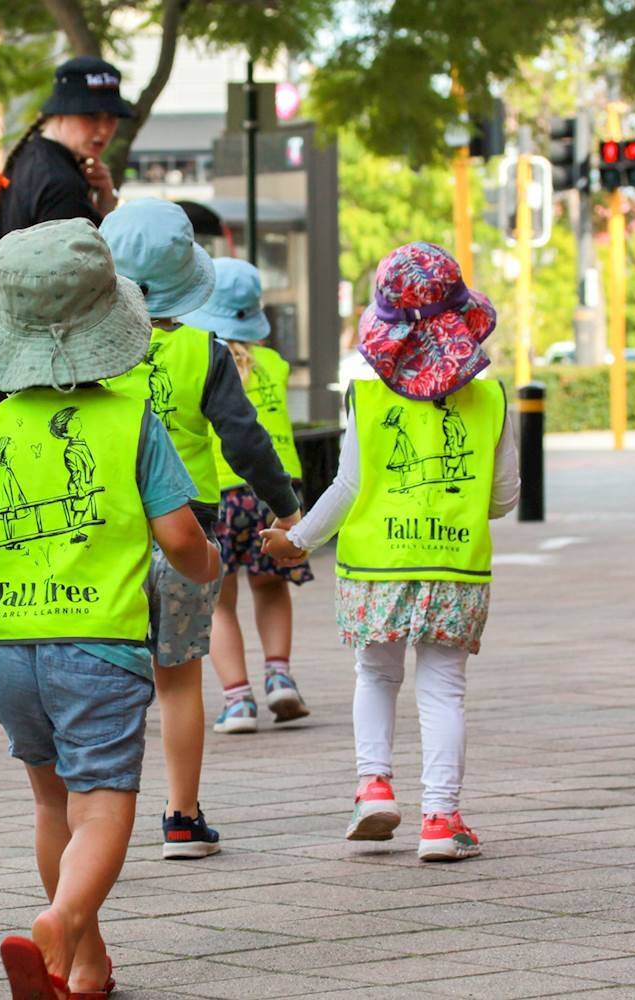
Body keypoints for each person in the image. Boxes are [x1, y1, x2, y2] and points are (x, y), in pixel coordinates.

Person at [0, 218, 220, 997]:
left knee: (52, 803)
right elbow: (179, 533)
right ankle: (57, 925)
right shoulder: (131, 420)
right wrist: (207, 566)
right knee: (105, 808)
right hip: (100, 644)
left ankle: (86, 964)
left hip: (9, 648)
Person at [262, 242, 519, 863]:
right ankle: (441, 818)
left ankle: (373, 787)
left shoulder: (365, 398)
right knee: (443, 689)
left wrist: (298, 542)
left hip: (375, 565)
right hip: (454, 564)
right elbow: (504, 498)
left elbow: (347, 487)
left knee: (376, 674)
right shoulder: (493, 399)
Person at [0, 55, 136, 713]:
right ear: (59, 109)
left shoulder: (31, 160)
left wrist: (101, 198)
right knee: (33, 503)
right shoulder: (60, 182)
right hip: (39, 353)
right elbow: (76, 278)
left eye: (109, 117)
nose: (101, 128)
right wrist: (102, 210)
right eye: (90, 114)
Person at [99, 199, 301, 859]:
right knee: (178, 674)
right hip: (190, 531)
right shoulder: (202, 350)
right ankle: (182, 819)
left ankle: (93, 827)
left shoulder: (88, 350)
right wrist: (284, 504)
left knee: (106, 678)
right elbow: (244, 439)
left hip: (105, 532)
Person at [181, 258, 312, 734]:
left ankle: (238, 701)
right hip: (277, 494)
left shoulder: (201, 362)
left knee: (219, 601)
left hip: (221, 494)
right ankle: (280, 676)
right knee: (272, 586)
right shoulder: (274, 363)